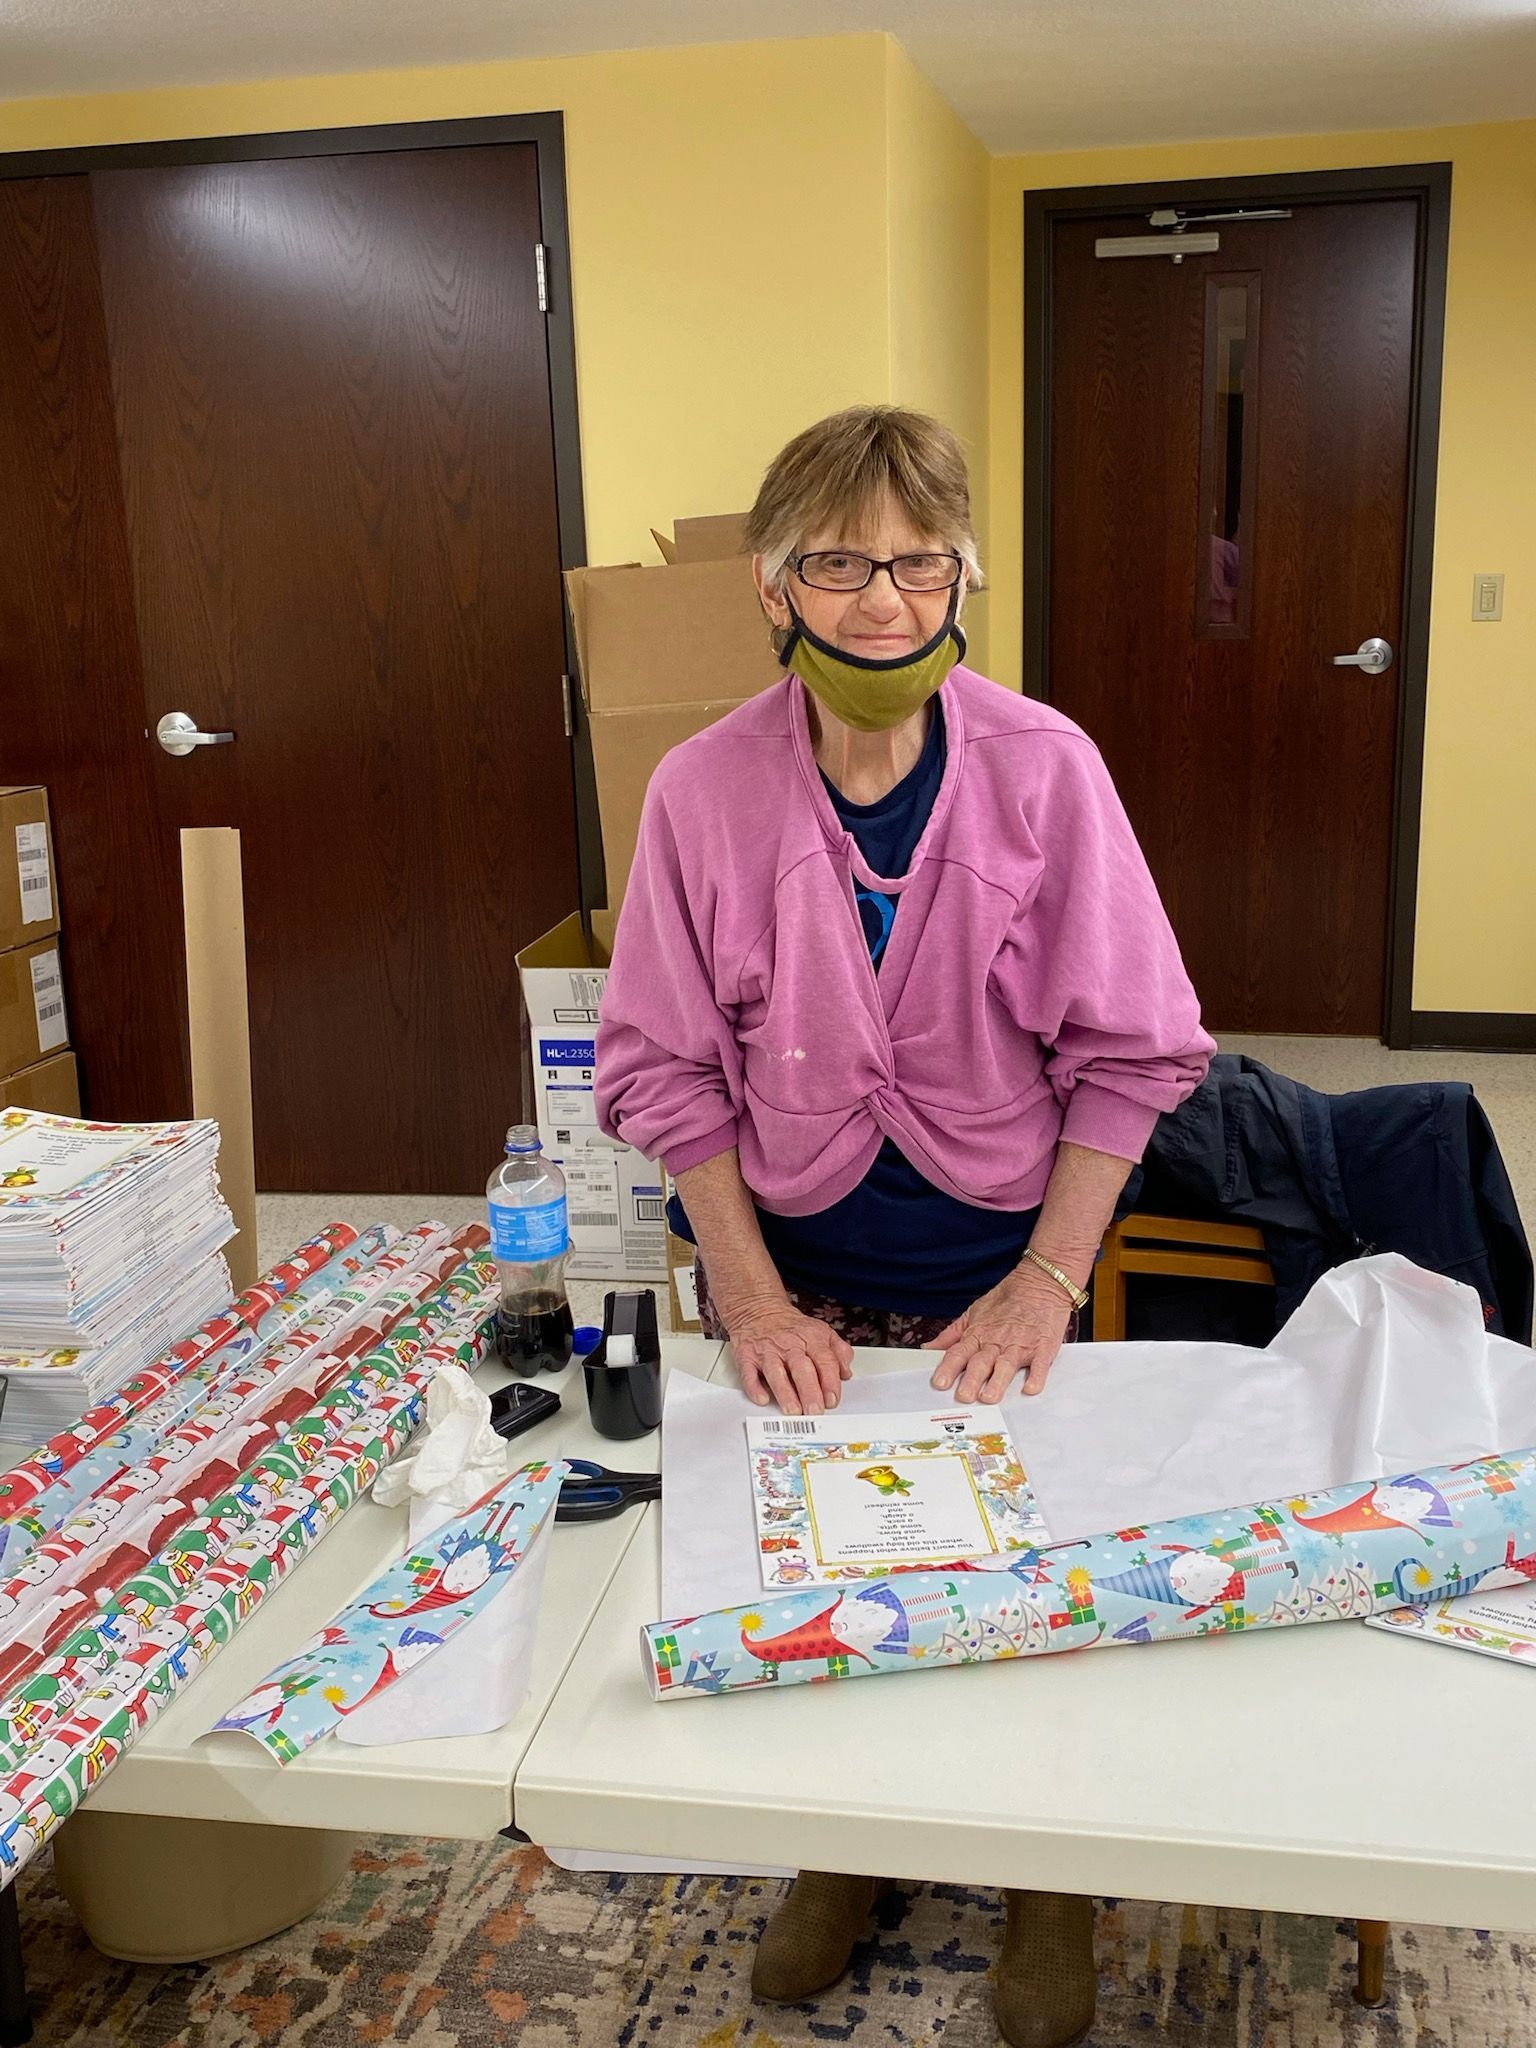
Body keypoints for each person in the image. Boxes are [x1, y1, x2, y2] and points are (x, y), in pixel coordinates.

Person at [596, 405, 1214, 2048]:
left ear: (963, 577)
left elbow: (1134, 1053)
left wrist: (1045, 1281)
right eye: (840, 560)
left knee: (1016, 1586)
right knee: (812, 1577)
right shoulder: (700, 791)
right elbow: (659, 1067)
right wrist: (747, 1297)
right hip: (798, 1272)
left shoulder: (1044, 770)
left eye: (916, 558)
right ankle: (845, 1852)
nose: (883, 598)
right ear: (773, 586)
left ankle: (1046, 1875)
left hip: (996, 1269)